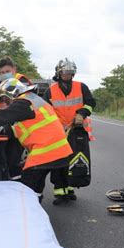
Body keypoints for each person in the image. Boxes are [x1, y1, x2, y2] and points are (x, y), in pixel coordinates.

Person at [0, 78, 72, 201]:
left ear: (13, 93)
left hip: (45, 153)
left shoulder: (23, 102)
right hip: (60, 151)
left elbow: (0, 117)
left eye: (4, 99)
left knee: (26, 190)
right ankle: (35, 207)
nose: (3, 104)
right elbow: (18, 130)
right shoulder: (32, 101)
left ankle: (28, 215)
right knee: (36, 189)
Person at [43, 58, 96, 205]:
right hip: (58, 132)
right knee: (59, 161)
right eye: (64, 72)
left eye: (70, 72)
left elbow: (91, 103)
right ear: (59, 73)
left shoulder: (81, 87)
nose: (67, 75)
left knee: (74, 160)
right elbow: (45, 111)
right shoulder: (51, 90)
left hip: (76, 130)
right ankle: (60, 191)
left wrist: (82, 113)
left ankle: (70, 187)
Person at [0, 56, 33, 182]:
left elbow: (24, 105)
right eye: (1, 73)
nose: (4, 75)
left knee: (13, 160)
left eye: (7, 71)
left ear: (14, 69)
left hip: (16, 127)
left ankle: (15, 184)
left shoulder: (21, 81)